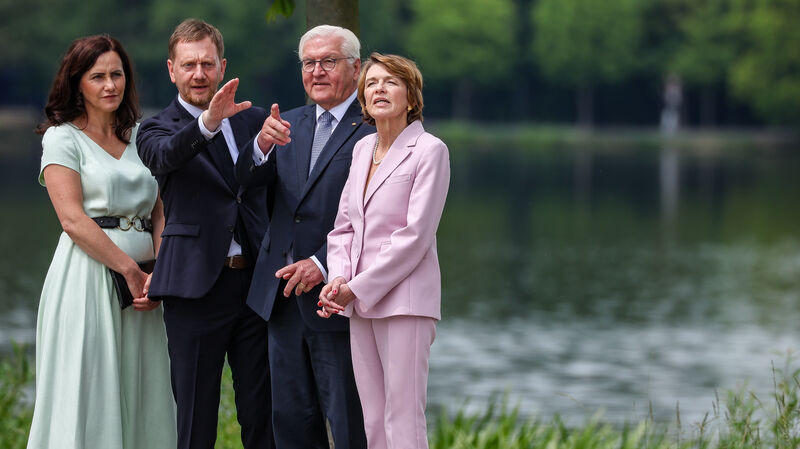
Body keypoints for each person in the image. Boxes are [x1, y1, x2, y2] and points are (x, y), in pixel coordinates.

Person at [28, 35, 176, 449]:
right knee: (89, 384)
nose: (110, 85)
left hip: (148, 286)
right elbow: (72, 219)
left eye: (117, 74)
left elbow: (161, 211)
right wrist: (128, 270)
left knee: (145, 385)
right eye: (98, 77)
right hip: (89, 279)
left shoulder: (143, 135)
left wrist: (159, 271)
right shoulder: (61, 138)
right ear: (78, 83)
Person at [135, 19, 272, 449]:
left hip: (255, 286)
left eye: (207, 64)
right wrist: (208, 123)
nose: (199, 74)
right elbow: (166, 157)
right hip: (194, 289)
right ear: (172, 70)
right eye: (189, 65)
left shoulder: (253, 119)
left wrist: (267, 148)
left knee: (262, 414)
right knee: (195, 420)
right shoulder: (156, 128)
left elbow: (268, 192)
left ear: (222, 66)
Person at [235, 25, 371, 449]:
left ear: (356, 68)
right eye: (309, 63)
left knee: (348, 421)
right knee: (290, 421)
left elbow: (378, 220)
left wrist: (323, 263)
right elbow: (247, 184)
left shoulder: (373, 127)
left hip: (339, 296)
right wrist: (259, 146)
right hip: (281, 297)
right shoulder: (284, 123)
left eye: (328, 61)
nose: (317, 71)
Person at [318, 53, 450, 449]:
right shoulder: (361, 150)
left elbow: (415, 236)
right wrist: (339, 277)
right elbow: (343, 227)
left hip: (406, 303)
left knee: (403, 419)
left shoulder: (430, 150)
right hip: (359, 304)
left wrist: (355, 287)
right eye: (372, 83)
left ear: (411, 97)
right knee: (373, 419)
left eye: (391, 82)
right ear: (363, 98)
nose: (379, 89)